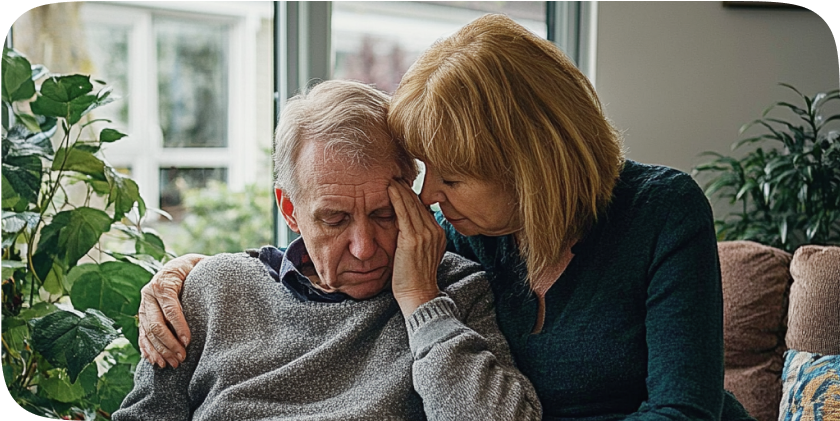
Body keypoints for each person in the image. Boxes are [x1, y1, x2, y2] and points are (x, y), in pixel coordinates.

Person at [138, 14, 754, 421]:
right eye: (425, 170)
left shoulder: (661, 211)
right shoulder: (465, 234)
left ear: (530, 170)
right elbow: (311, 250)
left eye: (452, 177)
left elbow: (682, 413)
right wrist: (180, 278)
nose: (427, 196)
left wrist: (419, 296)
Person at [113, 79, 541, 421]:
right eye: (334, 220)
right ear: (290, 211)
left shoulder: (454, 292)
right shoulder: (214, 289)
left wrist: (420, 303)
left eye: (384, 214)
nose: (363, 247)